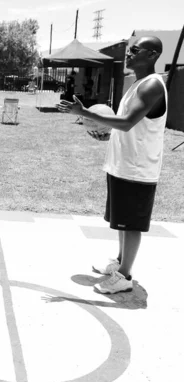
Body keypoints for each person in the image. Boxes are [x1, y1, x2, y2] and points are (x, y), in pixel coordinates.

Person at [58, 36, 167, 294]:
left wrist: (84, 113)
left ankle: (125, 276)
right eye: (129, 50)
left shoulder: (151, 85)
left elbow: (128, 121)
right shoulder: (137, 84)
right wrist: (107, 134)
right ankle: (120, 263)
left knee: (131, 223)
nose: (129, 54)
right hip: (123, 163)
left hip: (138, 167)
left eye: (135, 50)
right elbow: (128, 125)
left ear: (152, 55)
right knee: (121, 221)